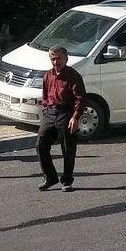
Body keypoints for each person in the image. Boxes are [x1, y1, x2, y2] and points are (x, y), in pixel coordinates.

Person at [37, 46, 85, 192]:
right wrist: (46, 110)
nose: (55, 61)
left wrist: (75, 117)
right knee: (41, 144)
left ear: (65, 58)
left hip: (66, 112)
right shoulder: (48, 75)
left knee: (68, 148)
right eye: (53, 58)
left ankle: (67, 181)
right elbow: (45, 95)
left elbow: (81, 99)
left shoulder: (73, 76)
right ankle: (50, 177)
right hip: (51, 113)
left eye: (58, 58)